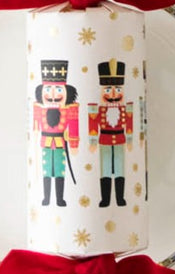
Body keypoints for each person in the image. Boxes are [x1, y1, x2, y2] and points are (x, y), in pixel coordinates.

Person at [32, 58, 80, 207]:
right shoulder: (39, 110)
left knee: (59, 170)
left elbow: (73, 125)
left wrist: (73, 143)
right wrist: (33, 140)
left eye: (58, 89)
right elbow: (35, 127)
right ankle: (46, 198)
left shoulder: (69, 110)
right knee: (47, 170)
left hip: (60, 143)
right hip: (46, 143)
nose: (53, 94)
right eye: (48, 89)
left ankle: (59, 199)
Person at [88, 58, 133, 206]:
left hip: (120, 139)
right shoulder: (97, 109)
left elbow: (130, 123)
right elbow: (93, 125)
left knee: (120, 168)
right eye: (108, 90)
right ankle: (105, 199)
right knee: (105, 169)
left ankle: (120, 198)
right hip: (104, 141)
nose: (113, 94)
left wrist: (131, 140)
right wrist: (93, 142)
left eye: (117, 89)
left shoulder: (125, 108)